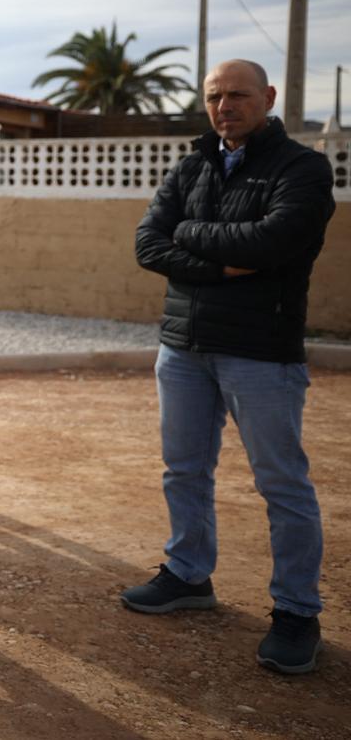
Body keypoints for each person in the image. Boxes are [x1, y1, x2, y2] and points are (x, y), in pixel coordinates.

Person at [126, 59, 336, 675]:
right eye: (215, 96)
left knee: (282, 485)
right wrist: (220, 259)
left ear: (267, 97)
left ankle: (297, 611)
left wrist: (189, 236)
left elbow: (277, 242)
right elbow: (147, 244)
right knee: (183, 470)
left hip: (261, 351)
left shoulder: (302, 167)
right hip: (182, 346)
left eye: (238, 95)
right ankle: (189, 575)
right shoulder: (192, 164)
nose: (225, 106)